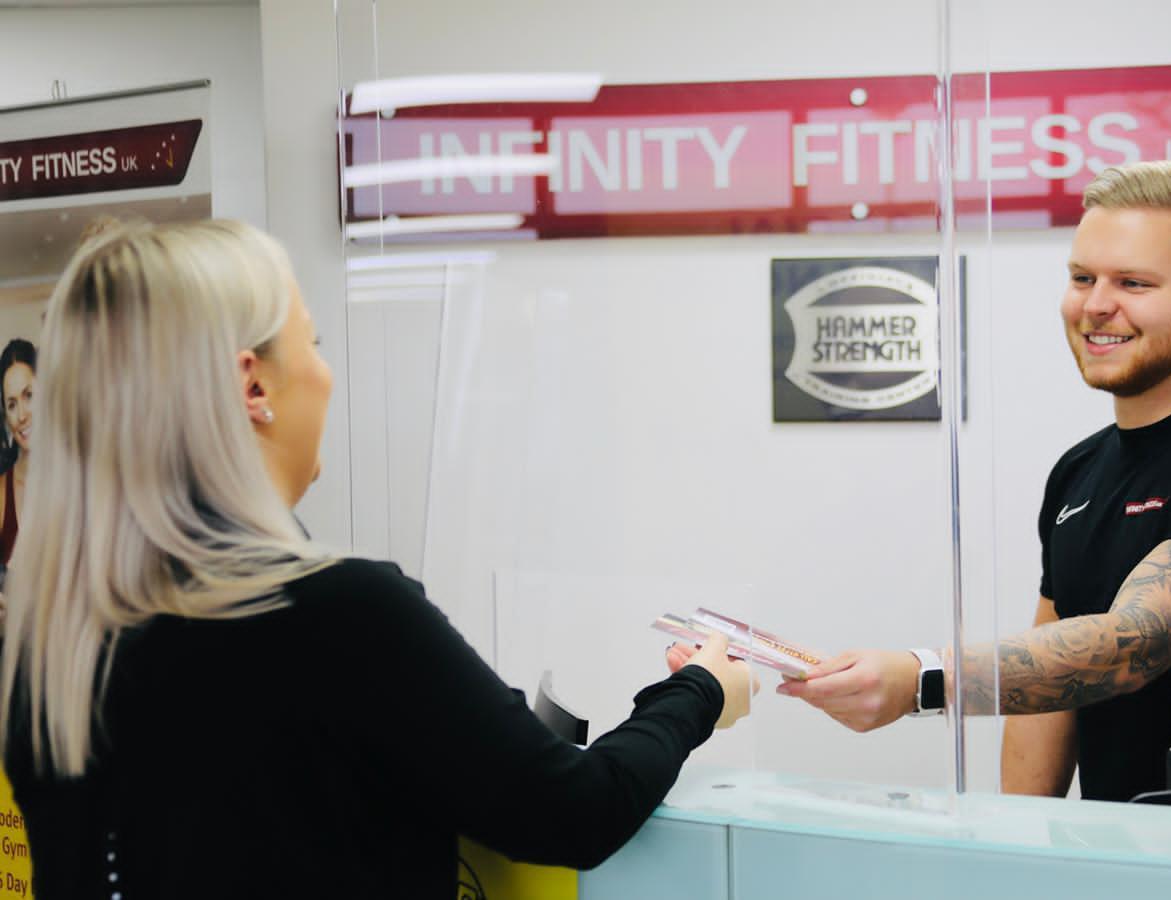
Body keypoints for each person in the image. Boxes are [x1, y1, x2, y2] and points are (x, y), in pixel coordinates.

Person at [0, 219, 754, 898]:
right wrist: (699, 692)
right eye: (313, 344)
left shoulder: (56, 647)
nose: (325, 374)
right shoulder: (336, 616)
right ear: (253, 384)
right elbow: (575, 810)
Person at [778, 161, 1171, 803]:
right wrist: (1015, 841)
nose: (1096, 304)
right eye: (1082, 277)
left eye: (1133, 282)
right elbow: (1051, 682)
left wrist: (922, 678)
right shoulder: (1080, 470)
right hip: (1105, 846)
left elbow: (1131, 646)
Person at [0, 338, 35, 567]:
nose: (22, 415)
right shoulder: (2, 493)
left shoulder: (79, 480)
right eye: (12, 405)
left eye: (29, 395)